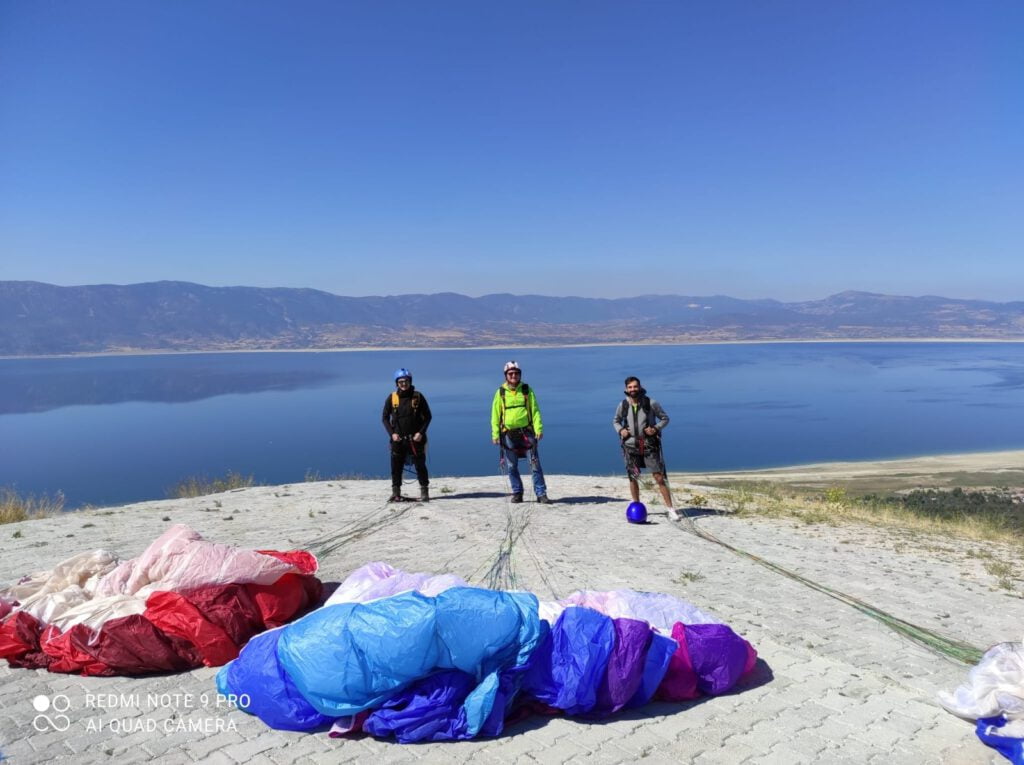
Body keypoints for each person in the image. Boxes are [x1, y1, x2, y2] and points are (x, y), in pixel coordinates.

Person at [613, 376, 677, 520]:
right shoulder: (623, 405)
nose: (633, 389)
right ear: (625, 389)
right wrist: (620, 430)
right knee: (633, 477)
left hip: (649, 445)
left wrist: (655, 428)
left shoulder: (651, 403)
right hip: (630, 447)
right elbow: (616, 421)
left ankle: (671, 509)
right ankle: (636, 505)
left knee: (659, 477)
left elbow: (665, 418)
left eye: (635, 386)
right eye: (630, 387)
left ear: (640, 387)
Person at [491, 361, 550, 504]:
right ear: (506, 375)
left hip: (527, 433)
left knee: (535, 464)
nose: (514, 376)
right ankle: (517, 493)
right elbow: (495, 414)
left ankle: (541, 493)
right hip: (508, 435)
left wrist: (539, 429)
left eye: (516, 373)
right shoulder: (500, 393)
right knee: (512, 466)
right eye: (510, 374)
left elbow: (535, 411)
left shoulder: (526, 390)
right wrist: (495, 434)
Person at [382, 368, 432, 502]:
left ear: (410, 381)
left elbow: (428, 417)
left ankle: (424, 491)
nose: (403, 384)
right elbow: (385, 418)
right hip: (398, 441)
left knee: (420, 466)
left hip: (416, 440)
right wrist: (392, 434)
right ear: (397, 383)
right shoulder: (392, 398)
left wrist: (421, 433)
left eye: (406, 381)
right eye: (400, 382)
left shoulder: (418, 397)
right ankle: (396, 492)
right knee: (396, 467)